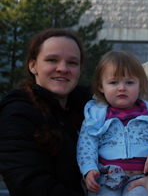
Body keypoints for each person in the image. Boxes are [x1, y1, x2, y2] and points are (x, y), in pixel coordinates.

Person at [0, 29, 91, 195]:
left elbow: (125, 79)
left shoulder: (90, 107)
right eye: (52, 60)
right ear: (33, 65)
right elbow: (30, 187)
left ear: (79, 70)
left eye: (72, 63)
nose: (63, 68)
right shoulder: (17, 114)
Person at [77, 51, 148, 196]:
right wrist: (89, 169)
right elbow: (86, 145)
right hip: (107, 178)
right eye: (114, 82)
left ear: (140, 86)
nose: (122, 88)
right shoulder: (96, 115)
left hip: (141, 178)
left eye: (129, 82)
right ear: (101, 87)